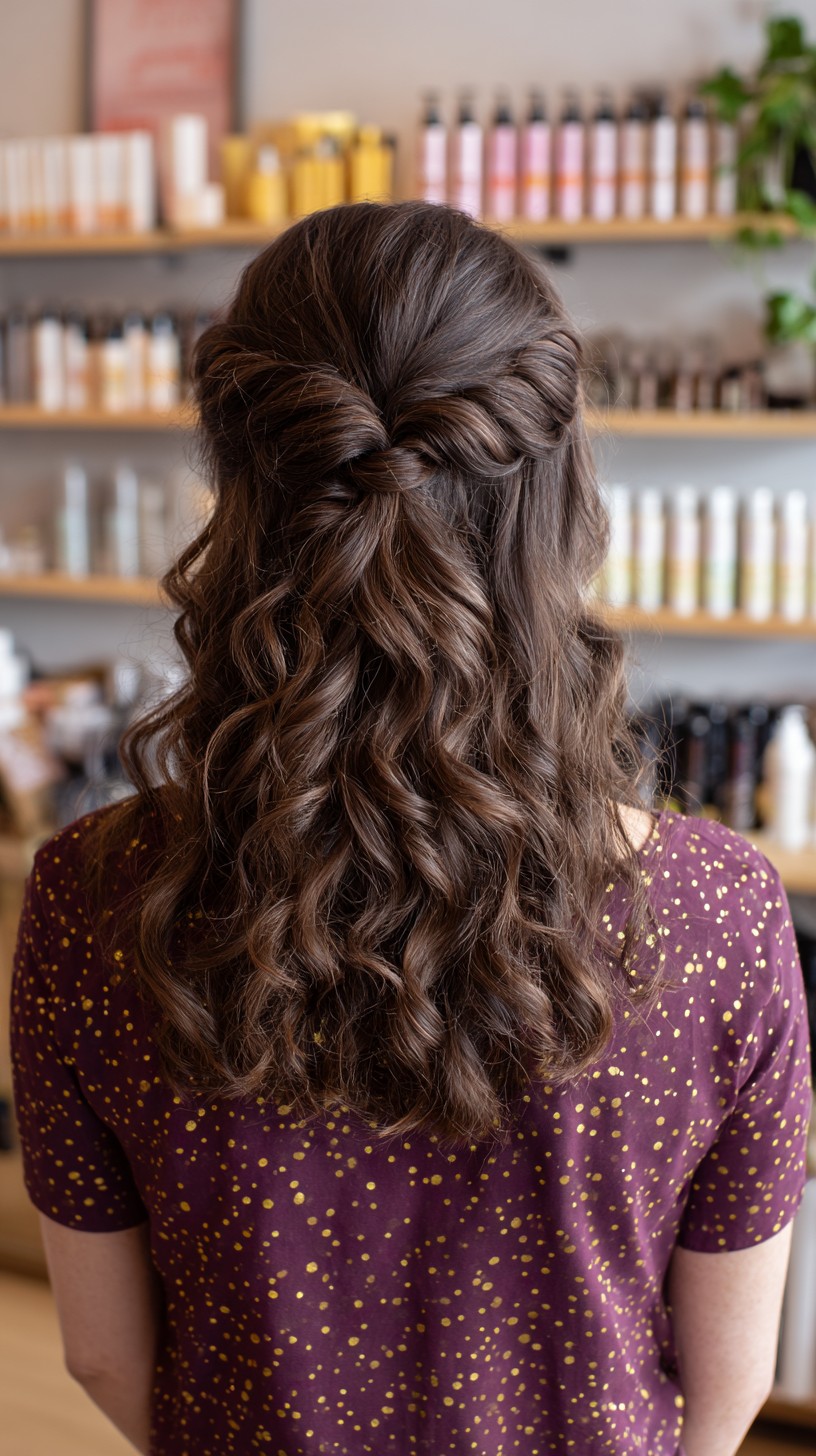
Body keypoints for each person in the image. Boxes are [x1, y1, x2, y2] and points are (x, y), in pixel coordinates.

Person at [9, 201, 813, 1456]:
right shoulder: (719, 913)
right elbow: (723, 1395)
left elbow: (107, 1356)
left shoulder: (95, 895)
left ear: (237, 485)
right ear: (554, 501)